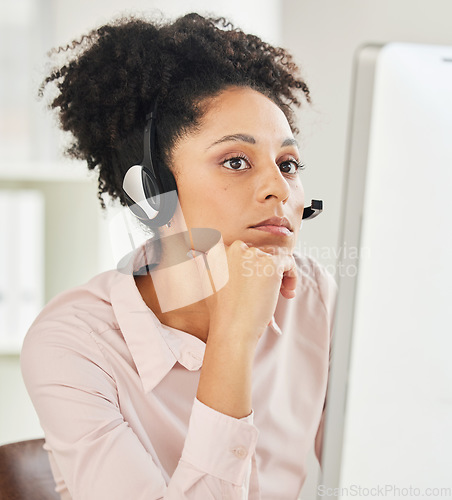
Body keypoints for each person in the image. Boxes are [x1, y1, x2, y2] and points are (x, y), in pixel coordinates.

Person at [20, 12, 337, 500]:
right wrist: (233, 338)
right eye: (236, 162)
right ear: (153, 193)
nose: (279, 189)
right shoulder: (74, 344)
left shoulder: (315, 297)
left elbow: (386, 451)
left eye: (288, 165)